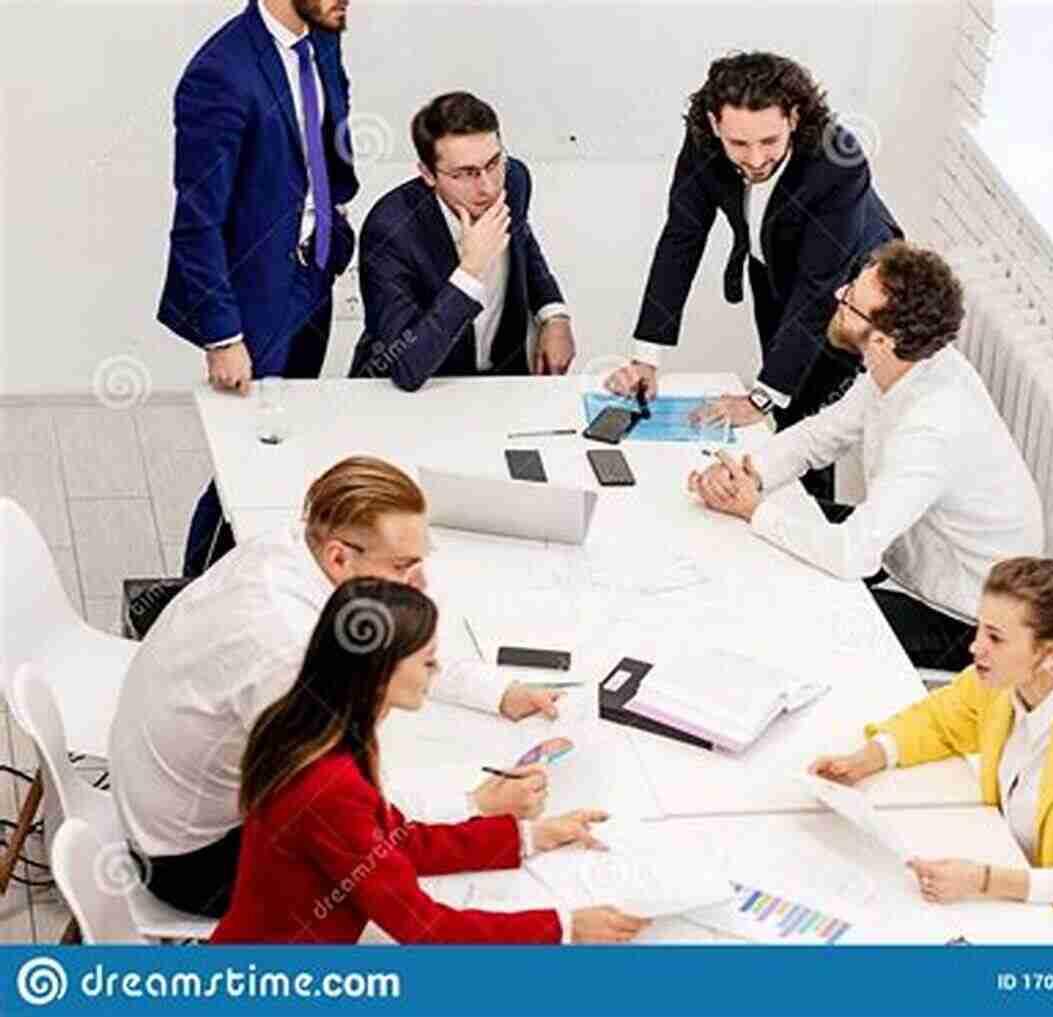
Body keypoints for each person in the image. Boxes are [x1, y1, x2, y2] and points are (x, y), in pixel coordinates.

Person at [110, 457, 560, 918]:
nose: (420, 583)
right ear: (340, 557)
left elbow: (392, 640)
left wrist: (496, 692)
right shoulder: (287, 652)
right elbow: (354, 814)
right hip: (192, 861)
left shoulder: (290, 546)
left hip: (160, 793)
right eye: (404, 566)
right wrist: (475, 803)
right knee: (404, 889)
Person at [211, 578, 650, 943]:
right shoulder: (330, 784)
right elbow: (425, 929)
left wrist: (528, 837)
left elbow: (392, 842)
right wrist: (565, 926)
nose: (436, 674)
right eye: (427, 662)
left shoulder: (309, 726)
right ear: (380, 671)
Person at [688, 241, 1042, 671]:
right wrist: (748, 474)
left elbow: (853, 554)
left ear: (883, 341)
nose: (837, 296)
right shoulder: (909, 362)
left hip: (962, 619)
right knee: (771, 527)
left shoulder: (931, 429)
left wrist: (753, 511)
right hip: (906, 553)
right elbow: (822, 435)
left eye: (851, 303)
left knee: (788, 618)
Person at [810, 553, 1053, 944]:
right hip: (1018, 893)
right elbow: (940, 719)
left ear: (1051, 654)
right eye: (979, 629)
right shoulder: (1002, 683)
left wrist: (983, 880)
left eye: (995, 637)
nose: (976, 647)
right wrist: (868, 758)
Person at [607, 51, 901, 499]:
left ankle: (811, 520)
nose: (755, 158)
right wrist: (647, 355)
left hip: (853, 291)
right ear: (714, 123)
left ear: (795, 118)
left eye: (769, 141)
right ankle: (772, 510)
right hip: (774, 269)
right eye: (739, 144)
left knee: (805, 415)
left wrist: (761, 396)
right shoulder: (703, 141)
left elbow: (818, 288)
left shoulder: (837, 163)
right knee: (780, 412)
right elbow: (681, 240)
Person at [159, 0, 361, 577]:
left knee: (288, 437)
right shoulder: (219, 73)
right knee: (241, 461)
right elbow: (197, 219)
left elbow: (324, 141)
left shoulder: (322, 36)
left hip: (311, 272)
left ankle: (266, 578)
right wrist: (222, 335)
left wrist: (332, 222)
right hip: (255, 297)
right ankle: (195, 589)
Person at [349, 92, 575, 389]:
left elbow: (524, 244)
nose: (488, 187)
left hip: (499, 385)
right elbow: (406, 368)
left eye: (494, 163)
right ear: (428, 174)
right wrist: (471, 269)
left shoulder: (515, 179)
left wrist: (554, 315)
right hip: (417, 393)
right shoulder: (389, 230)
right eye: (465, 173)